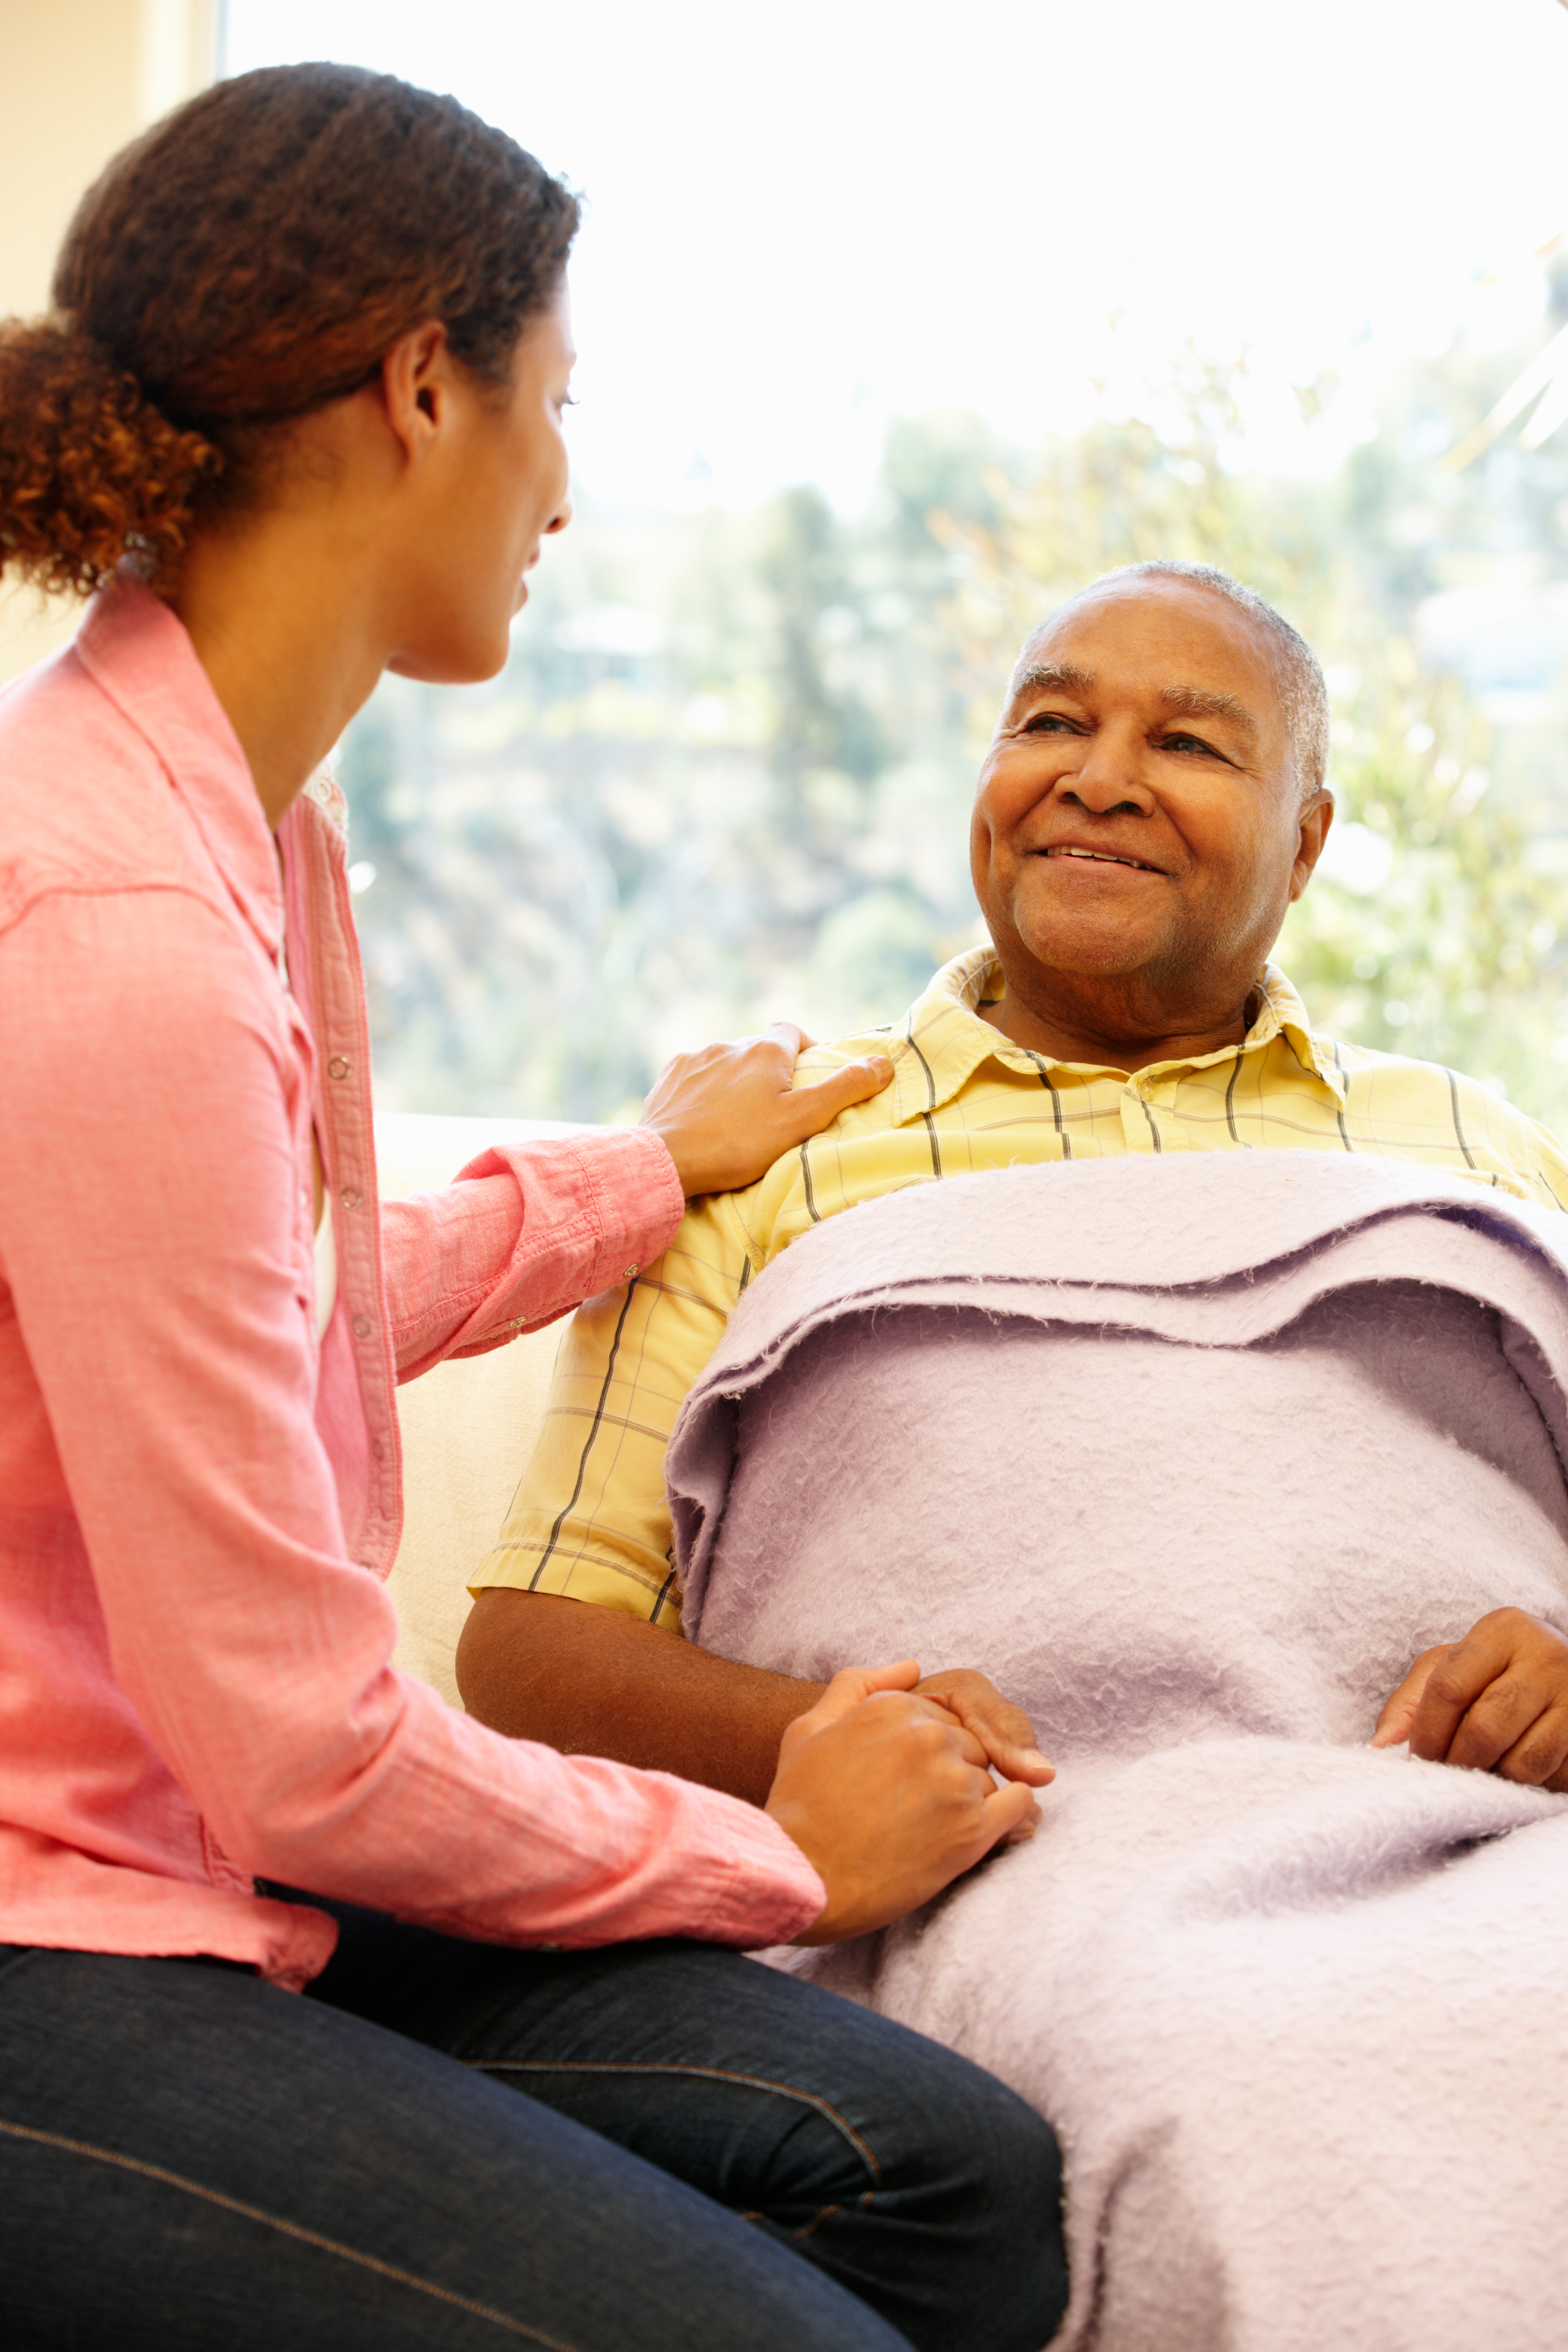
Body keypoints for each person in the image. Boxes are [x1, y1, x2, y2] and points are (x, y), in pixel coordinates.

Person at [0, 64, 1070, 2352]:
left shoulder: (237, 821)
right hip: (47, 1923)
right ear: (420, 388)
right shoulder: (114, 931)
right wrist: (789, 1847)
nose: (565, 490)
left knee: (948, 2174)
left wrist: (633, 1176)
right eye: (553, 404)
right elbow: (301, 1743)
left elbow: (240, 1304)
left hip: (183, 1847)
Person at [459, 557, 1568, 1799]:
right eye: (1051, 723)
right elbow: (533, 1651)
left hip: (1473, 1854)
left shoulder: (1485, 1153)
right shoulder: (767, 1151)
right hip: (964, 1874)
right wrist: (834, 1739)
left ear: (1305, 844)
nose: (1098, 782)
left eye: (1190, 744)